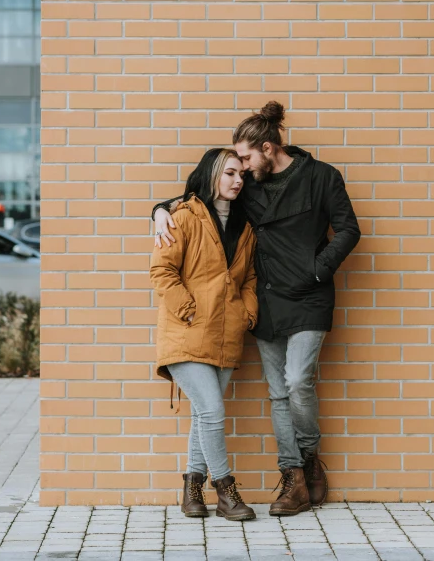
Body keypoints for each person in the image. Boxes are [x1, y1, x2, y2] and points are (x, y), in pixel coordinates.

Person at [153, 102, 361, 516]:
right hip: (266, 302)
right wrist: (159, 210)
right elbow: (199, 194)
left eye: (245, 159)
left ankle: (308, 457)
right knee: (277, 393)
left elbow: (349, 229)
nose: (242, 170)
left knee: (299, 381)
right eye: (236, 165)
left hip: (309, 295)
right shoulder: (248, 187)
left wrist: (318, 270)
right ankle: (293, 478)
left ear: (268, 147)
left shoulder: (322, 177)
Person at [150, 148, 258, 521]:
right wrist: (188, 310)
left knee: (203, 415)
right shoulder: (183, 218)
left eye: (241, 175)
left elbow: (249, 280)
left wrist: (247, 312)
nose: (237, 180)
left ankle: (191, 490)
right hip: (187, 334)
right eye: (229, 173)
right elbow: (162, 271)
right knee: (212, 410)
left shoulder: (244, 228)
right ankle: (226, 491)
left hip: (226, 334)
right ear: (212, 175)